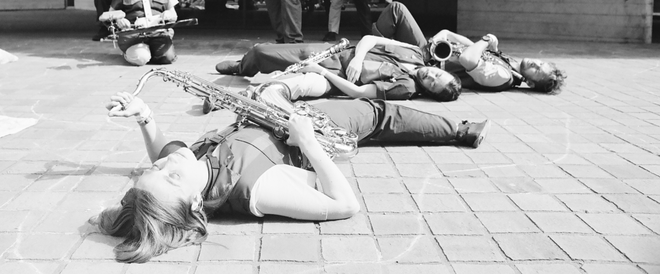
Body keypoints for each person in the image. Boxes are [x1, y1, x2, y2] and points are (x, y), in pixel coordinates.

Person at [91, 87, 491, 263]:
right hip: (308, 131)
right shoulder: (256, 191)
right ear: (196, 204)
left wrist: (144, 117)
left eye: (155, 170)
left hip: (274, 117)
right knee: (378, 112)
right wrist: (310, 144)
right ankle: (462, 130)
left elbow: (165, 152)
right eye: (169, 177)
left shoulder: (192, 167)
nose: (166, 164)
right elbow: (344, 205)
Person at [372, 1, 567, 93]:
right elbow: (464, 44)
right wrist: (446, 35)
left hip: (427, 63)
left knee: (396, 10)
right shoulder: (508, 64)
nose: (535, 63)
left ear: (531, 83)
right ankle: (372, 49)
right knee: (396, 12)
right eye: (540, 63)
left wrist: (485, 40)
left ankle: (371, 48)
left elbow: (468, 59)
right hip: (430, 52)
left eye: (537, 70)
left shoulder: (504, 76)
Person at [215, 36, 462, 102]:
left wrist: (320, 72)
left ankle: (229, 96)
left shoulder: (405, 87)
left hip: (331, 75)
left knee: (281, 85)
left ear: (427, 91)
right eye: (437, 74)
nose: (430, 76)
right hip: (334, 52)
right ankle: (242, 67)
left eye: (432, 84)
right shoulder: (416, 53)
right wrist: (358, 57)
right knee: (261, 52)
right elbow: (370, 38)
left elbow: (358, 93)